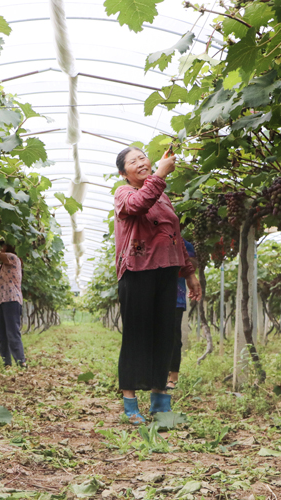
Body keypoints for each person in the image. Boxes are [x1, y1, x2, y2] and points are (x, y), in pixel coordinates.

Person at [114, 146, 201, 424]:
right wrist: (160, 174)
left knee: (164, 335)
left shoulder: (162, 196)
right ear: (123, 173)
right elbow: (139, 205)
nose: (141, 162)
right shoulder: (123, 193)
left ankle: (160, 403)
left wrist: (188, 272)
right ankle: (130, 404)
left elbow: (174, 234)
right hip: (137, 271)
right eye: (133, 161)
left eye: (143, 157)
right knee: (137, 337)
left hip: (167, 272)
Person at [166, 238, 197, 390]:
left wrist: (180, 256)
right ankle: (160, 373)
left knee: (174, 338)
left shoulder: (186, 244)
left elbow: (192, 266)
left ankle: (173, 376)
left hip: (175, 298)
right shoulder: (151, 239)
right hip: (153, 296)